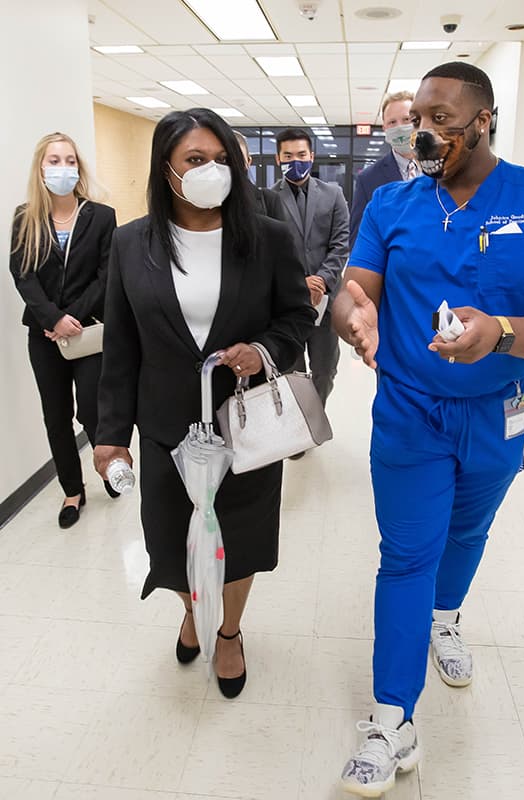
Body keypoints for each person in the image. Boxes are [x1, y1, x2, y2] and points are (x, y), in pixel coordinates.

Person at [332, 62, 524, 796]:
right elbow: (354, 292)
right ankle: (391, 719)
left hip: (499, 413)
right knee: (406, 556)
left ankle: (446, 620)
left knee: (467, 536)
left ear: (484, 120)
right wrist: (352, 314)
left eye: (443, 118)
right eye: (419, 116)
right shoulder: (392, 204)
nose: (425, 131)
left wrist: (503, 332)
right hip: (411, 412)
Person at [93, 108, 315, 699]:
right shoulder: (131, 242)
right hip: (166, 426)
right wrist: (110, 434)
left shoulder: (267, 237)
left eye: (220, 159)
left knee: (238, 538)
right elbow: (120, 344)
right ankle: (192, 610)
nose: (211, 170)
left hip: (244, 424)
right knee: (172, 538)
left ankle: (230, 631)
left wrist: (264, 350)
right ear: (166, 168)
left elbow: (297, 317)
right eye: (195, 160)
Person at [9, 132, 117, 529]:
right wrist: (52, 319)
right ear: (41, 169)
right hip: (45, 335)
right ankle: (73, 491)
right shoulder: (26, 217)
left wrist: (70, 317)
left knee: (92, 409)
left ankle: (106, 466)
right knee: (56, 416)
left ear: (79, 167)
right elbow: (22, 274)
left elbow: (106, 276)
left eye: (69, 160)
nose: (63, 168)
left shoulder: (101, 216)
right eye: (54, 161)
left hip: (88, 332)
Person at [271, 128, 349, 417]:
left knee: (325, 369)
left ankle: (313, 416)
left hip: (327, 301)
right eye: (288, 156)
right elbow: (269, 251)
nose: (296, 161)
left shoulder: (333, 194)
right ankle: (297, 424)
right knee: (292, 371)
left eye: (301, 155)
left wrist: (321, 280)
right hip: (288, 303)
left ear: (312, 157)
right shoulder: (269, 200)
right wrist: (298, 283)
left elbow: (341, 244)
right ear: (279, 158)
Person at [350, 91, 420, 248]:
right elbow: (358, 240)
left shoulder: (440, 171)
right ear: (384, 128)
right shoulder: (368, 179)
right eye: (392, 122)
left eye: (407, 119)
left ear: (418, 121)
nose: (400, 127)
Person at [232, 130, 287, 221]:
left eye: (238, 158)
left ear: (248, 162)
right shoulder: (204, 201)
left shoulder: (269, 201)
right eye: (224, 158)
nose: (232, 163)